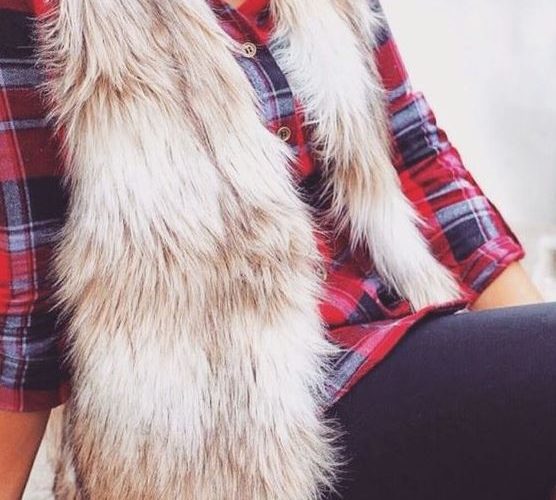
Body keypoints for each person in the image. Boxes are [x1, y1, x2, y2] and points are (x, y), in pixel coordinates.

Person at [0, 0, 553, 498]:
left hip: (405, 338)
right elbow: (25, 290)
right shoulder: (52, 13)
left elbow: (419, 159)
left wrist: (532, 347)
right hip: (229, 429)